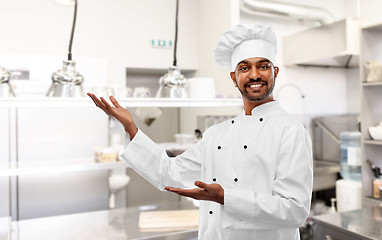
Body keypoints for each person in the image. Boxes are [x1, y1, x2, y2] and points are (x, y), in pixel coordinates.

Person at [88, 24, 313, 240]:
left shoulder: (290, 131)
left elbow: (295, 210)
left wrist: (225, 197)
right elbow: (169, 172)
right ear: (234, 78)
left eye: (263, 66)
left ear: (274, 72)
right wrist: (131, 127)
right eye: (244, 68)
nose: (254, 75)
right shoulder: (217, 134)